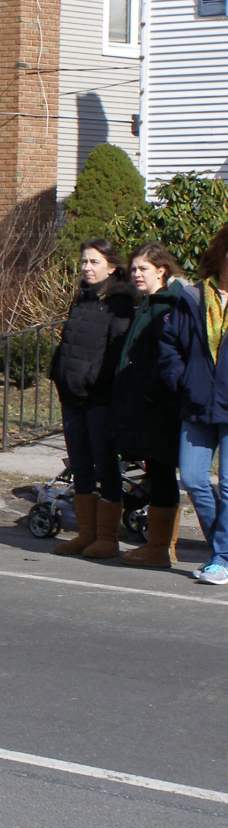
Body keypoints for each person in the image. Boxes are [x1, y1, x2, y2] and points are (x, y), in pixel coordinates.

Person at [50, 239, 135, 559]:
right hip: (72, 395)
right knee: (81, 465)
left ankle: (107, 537)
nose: (87, 268)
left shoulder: (119, 303)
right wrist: (60, 373)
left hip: (98, 398)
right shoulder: (82, 298)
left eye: (94, 262)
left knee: (104, 465)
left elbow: (115, 352)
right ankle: (85, 533)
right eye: (84, 262)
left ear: (111, 266)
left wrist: (95, 382)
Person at [159, 224, 228, 584]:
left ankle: (221, 557)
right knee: (194, 477)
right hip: (198, 401)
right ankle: (224, 544)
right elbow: (169, 344)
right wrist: (182, 380)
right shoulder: (193, 297)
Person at [111, 244, 186, 569]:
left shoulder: (170, 304)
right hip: (143, 402)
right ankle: (160, 546)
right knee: (157, 471)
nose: (136, 274)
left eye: (143, 269)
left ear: (162, 270)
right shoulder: (146, 305)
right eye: (134, 269)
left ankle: (160, 548)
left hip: (161, 404)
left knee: (163, 471)